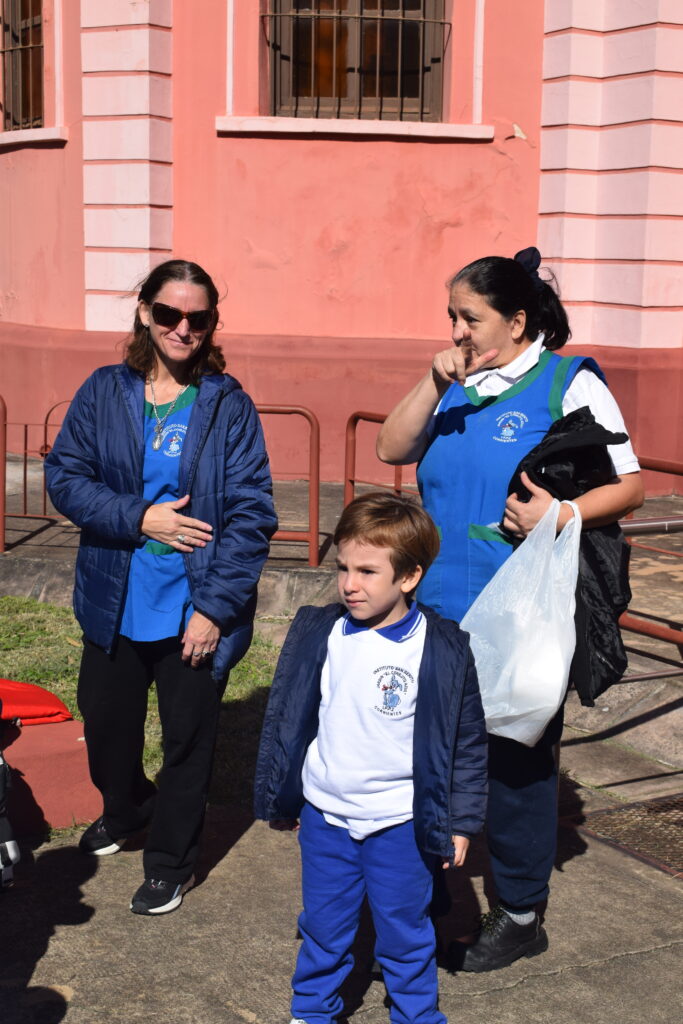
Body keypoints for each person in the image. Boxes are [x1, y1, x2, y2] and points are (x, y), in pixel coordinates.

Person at [376, 248, 644, 971]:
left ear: (517, 321)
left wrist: (560, 514)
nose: (456, 331)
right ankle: (433, 891)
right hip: (435, 606)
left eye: (470, 317)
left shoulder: (566, 381)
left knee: (515, 766)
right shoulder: (456, 387)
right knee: (429, 754)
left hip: (521, 612)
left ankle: (520, 913)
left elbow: (630, 485)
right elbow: (390, 446)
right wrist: (434, 379)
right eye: (451, 316)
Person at [45, 259, 277, 915]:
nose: (183, 328)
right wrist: (138, 516)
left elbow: (252, 514)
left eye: (198, 318)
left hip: (192, 606)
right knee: (106, 729)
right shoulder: (103, 391)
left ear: (211, 324)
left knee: (186, 743)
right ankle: (126, 810)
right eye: (170, 313)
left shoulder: (226, 405)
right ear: (146, 312)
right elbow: (66, 477)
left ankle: (170, 863)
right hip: (114, 598)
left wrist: (214, 609)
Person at [254, 492, 488, 1024]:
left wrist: (461, 821)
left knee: (405, 932)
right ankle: (311, 1011)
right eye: (343, 568)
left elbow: (467, 742)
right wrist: (288, 795)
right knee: (323, 927)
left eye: (367, 571)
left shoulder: (441, 648)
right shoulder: (321, 631)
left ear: (409, 577)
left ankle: (416, 1015)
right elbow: (292, 718)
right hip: (326, 817)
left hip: (400, 823)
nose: (349, 584)